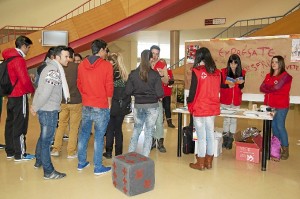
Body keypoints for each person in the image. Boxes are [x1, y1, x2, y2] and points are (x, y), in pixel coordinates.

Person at [30, 45, 70, 179]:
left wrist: (35, 105)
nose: (68, 59)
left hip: (46, 109)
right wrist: (35, 107)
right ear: (57, 57)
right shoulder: (53, 70)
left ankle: (39, 160)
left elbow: (39, 89)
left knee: (43, 138)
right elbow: (45, 93)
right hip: (48, 111)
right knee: (47, 141)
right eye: (66, 56)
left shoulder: (49, 68)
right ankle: (48, 171)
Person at [77, 39, 113, 175]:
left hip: (86, 104)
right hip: (101, 105)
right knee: (99, 135)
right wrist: (108, 103)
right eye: (105, 50)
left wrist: (86, 96)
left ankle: (81, 163)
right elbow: (109, 87)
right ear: (102, 50)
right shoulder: (106, 66)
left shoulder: (81, 65)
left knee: (84, 133)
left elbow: (79, 84)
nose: (106, 53)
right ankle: (98, 166)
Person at [187, 47, 221, 171]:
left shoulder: (196, 71)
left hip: (200, 107)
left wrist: (188, 102)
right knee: (210, 134)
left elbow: (193, 90)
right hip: (212, 107)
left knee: (201, 136)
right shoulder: (217, 72)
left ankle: (200, 162)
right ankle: (208, 162)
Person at [2, 35, 35, 161]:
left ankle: (10, 151)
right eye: (28, 47)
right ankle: (20, 153)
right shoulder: (19, 59)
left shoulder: (8, 58)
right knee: (20, 124)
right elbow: (24, 80)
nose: (28, 50)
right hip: (19, 95)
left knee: (10, 123)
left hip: (10, 95)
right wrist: (32, 90)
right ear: (23, 46)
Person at [125, 49, 164, 157]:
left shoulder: (133, 74)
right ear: (151, 59)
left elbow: (127, 91)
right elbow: (160, 93)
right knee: (148, 132)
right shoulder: (155, 75)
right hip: (152, 107)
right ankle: (145, 157)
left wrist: (137, 92)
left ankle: (130, 155)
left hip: (138, 106)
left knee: (136, 130)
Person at [51, 47, 82, 159]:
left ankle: (56, 149)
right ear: (73, 57)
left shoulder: (59, 67)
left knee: (61, 125)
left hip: (63, 101)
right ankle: (71, 152)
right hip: (76, 101)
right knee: (74, 127)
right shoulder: (78, 67)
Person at [260, 55, 292, 160]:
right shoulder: (268, 75)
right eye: (272, 62)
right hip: (270, 107)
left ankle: (285, 149)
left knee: (280, 127)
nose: (274, 64)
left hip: (281, 106)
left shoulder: (286, 76)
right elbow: (262, 88)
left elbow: (277, 87)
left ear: (281, 63)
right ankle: (276, 148)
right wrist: (271, 88)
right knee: (273, 127)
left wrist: (269, 88)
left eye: (276, 62)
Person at [103, 53, 129, 159]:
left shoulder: (111, 74)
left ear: (113, 62)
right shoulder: (124, 75)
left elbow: (109, 90)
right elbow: (127, 92)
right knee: (118, 129)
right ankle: (118, 153)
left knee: (109, 128)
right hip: (121, 106)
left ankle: (108, 152)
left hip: (111, 105)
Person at [220, 54, 246, 150]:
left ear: (238, 64)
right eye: (231, 63)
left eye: (235, 63)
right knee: (226, 120)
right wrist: (227, 86)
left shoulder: (242, 72)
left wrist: (241, 84)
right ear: (229, 63)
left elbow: (242, 87)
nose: (233, 65)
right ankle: (225, 139)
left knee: (234, 120)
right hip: (225, 99)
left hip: (236, 100)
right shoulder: (223, 72)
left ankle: (230, 140)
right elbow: (220, 85)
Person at [150, 45, 169, 153]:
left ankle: (160, 142)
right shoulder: (146, 64)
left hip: (158, 98)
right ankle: (151, 140)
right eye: (153, 53)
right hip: (147, 98)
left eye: (157, 54)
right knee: (150, 122)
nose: (155, 56)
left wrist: (162, 75)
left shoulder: (162, 64)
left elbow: (166, 81)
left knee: (159, 121)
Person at [160, 60, 175, 128]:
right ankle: (160, 122)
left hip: (167, 93)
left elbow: (172, 80)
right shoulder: (156, 71)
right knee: (159, 108)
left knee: (167, 108)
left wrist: (168, 82)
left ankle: (169, 122)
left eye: (164, 64)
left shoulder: (169, 71)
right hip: (159, 93)